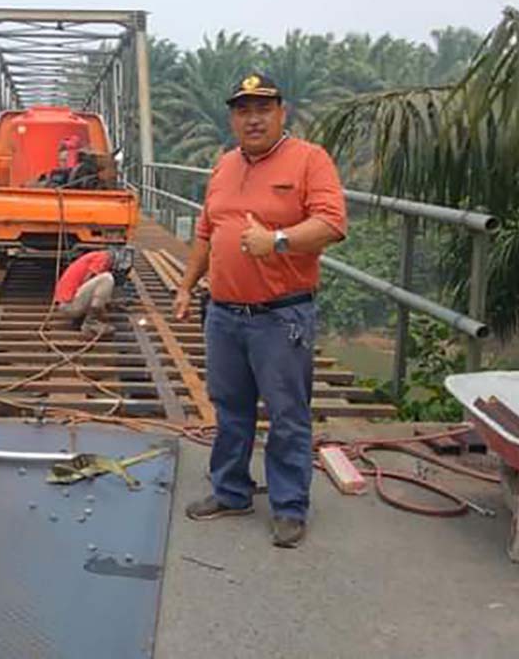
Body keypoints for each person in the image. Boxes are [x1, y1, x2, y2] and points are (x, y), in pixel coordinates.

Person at [173, 72, 347, 548]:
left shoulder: (309, 160)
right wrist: (188, 286)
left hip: (281, 317)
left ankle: (290, 507)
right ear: (232, 117)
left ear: (280, 113)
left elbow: (331, 224)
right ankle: (231, 491)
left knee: (287, 412)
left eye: (262, 109)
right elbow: (207, 232)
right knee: (229, 408)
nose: (253, 119)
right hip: (224, 313)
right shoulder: (225, 165)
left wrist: (278, 241)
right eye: (243, 110)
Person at [55, 246, 131, 337]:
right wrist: (102, 310)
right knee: (106, 278)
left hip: (68, 304)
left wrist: (111, 304)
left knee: (103, 280)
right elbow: (88, 280)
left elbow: (88, 289)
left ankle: (83, 319)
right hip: (69, 306)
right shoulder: (103, 257)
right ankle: (90, 323)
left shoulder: (94, 257)